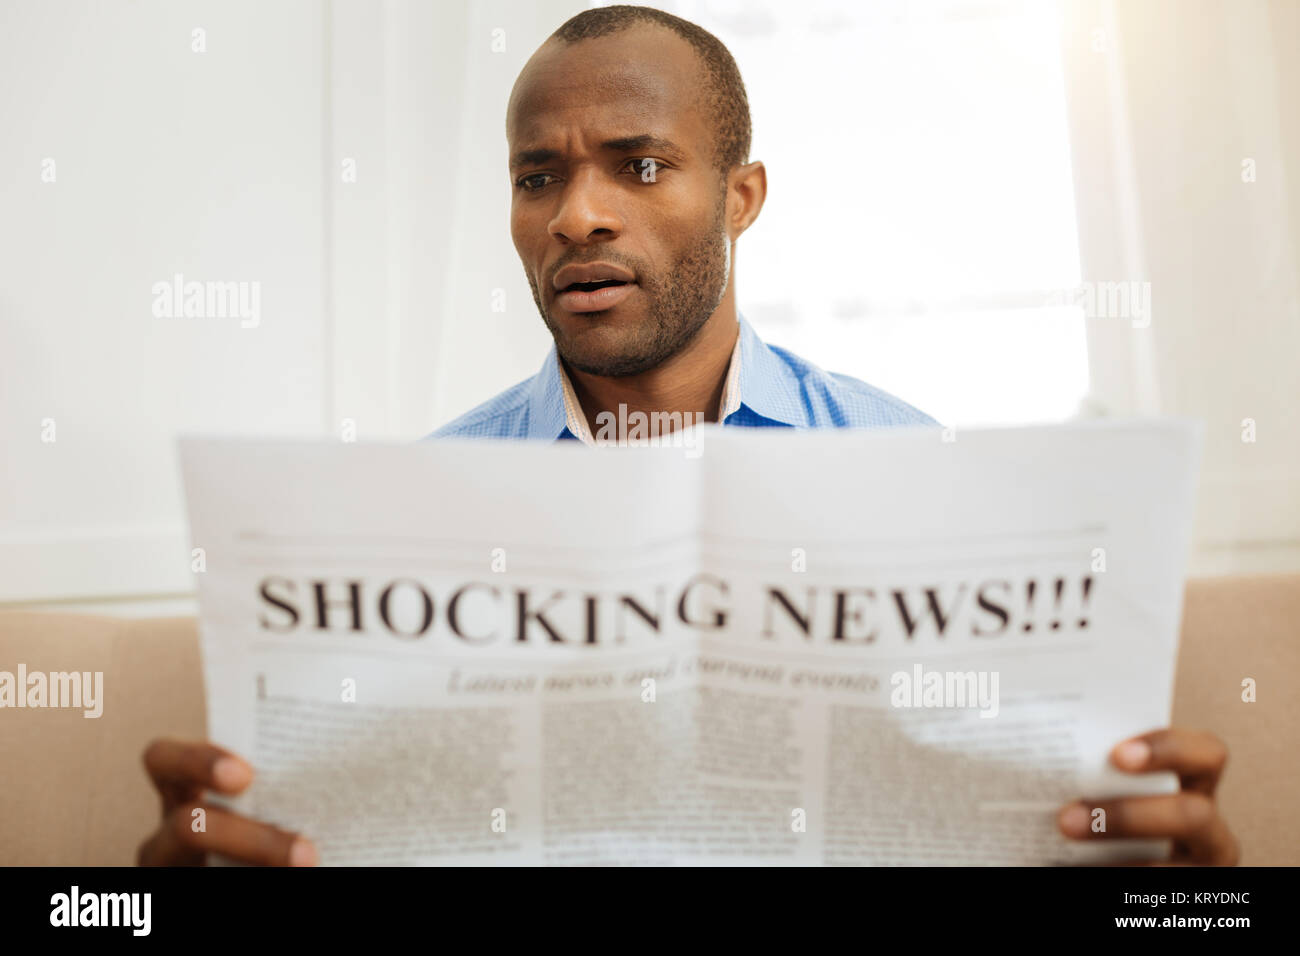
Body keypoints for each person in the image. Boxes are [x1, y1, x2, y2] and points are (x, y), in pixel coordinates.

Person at [139, 5, 1237, 866]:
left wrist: (1176, 894)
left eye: (641, 164)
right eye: (538, 177)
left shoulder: (913, 466)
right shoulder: (415, 504)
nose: (576, 215)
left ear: (741, 196)